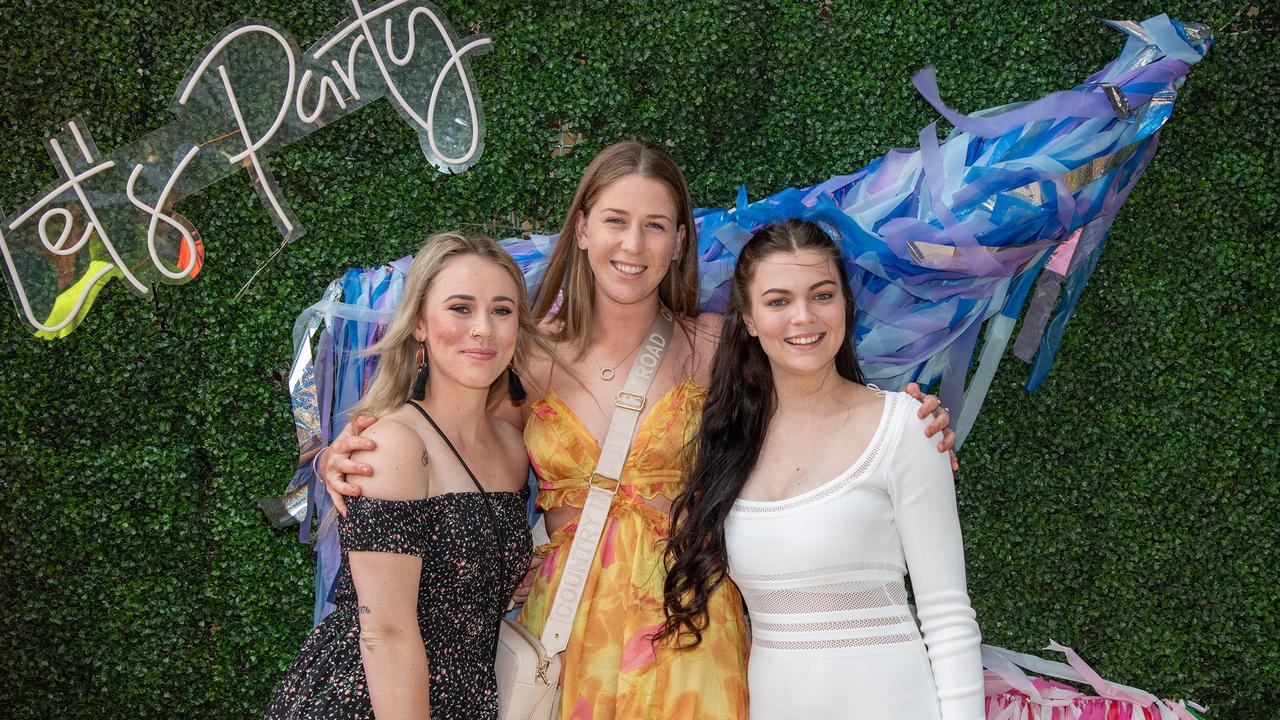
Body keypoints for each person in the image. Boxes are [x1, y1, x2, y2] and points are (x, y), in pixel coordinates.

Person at [321, 142, 956, 719]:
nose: (633, 245)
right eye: (616, 221)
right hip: (563, 633)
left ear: (680, 241)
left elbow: (816, 395)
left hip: (689, 626)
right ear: (583, 229)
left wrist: (903, 424)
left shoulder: (713, 346)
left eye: (655, 227)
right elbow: (454, 445)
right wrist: (350, 452)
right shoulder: (528, 355)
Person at [660, 219, 983, 720]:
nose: (803, 317)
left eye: (822, 295)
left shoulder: (905, 428)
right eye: (778, 301)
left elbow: (948, 615)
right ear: (747, 318)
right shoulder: (726, 444)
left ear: (846, 305)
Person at [263, 232, 545, 719]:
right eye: (460, 308)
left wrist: (506, 574)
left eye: (501, 310)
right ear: (418, 323)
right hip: (370, 701)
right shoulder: (394, 445)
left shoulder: (511, 447)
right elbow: (385, 634)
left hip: (462, 700)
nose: (483, 328)